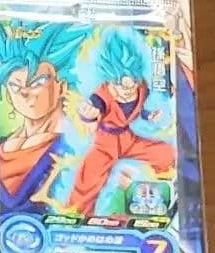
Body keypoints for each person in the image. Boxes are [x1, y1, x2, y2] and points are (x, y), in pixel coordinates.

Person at [67, 29, 174, 217]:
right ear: (111, 80)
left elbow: (137, 110)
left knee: (165, 153)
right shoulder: (101, 96)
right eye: (122, 87)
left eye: (132, 86)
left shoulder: (141, 88)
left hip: (128, 139)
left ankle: (166, 194)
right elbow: (92, 112)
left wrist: (149, 115)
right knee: (88, 179)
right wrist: (87, 116)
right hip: (105, 143)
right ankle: (77, 216)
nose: (128, 92)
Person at [0, 21, 89, 215]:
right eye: (15, 86)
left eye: (37, 83)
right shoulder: (0, 145)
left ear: (61, 86)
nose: (24, 93)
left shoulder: (77, 146)